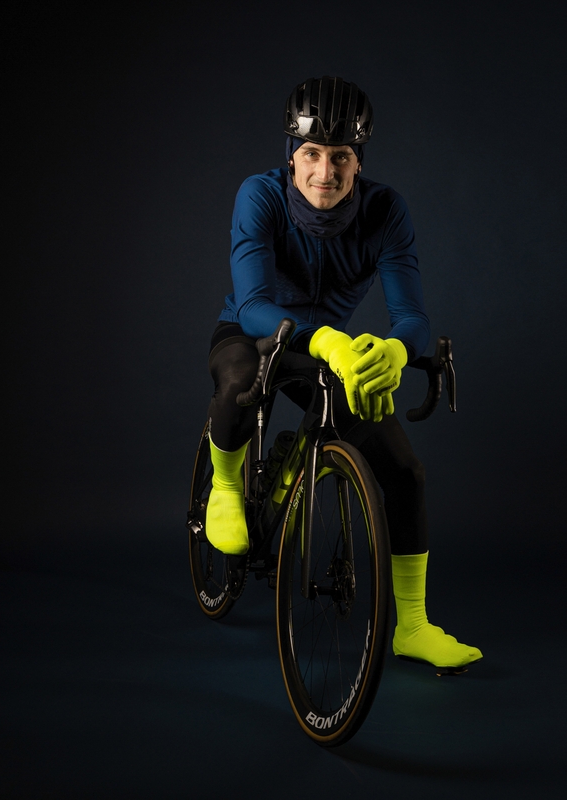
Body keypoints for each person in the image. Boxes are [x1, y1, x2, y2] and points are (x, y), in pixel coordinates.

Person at [206, 76, 481, 670]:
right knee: (241, 380)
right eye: (311, 154)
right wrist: (329, 338)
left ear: (359, 161)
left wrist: (397, 352)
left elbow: (411, 316)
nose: (324, 172)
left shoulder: (386, 210)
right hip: (253, 334)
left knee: (403, 471)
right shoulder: (259, 195)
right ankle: (225, 487)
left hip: (329, 353)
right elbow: (252, 302)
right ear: (291, 155)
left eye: (340, 157)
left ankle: (413, 626)